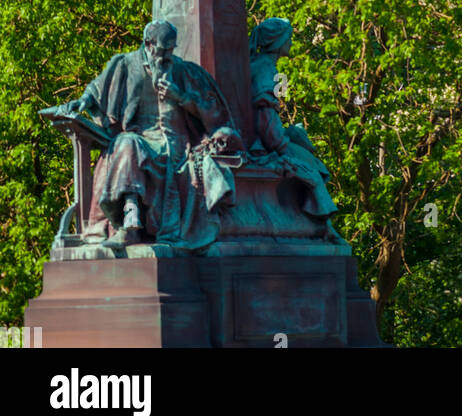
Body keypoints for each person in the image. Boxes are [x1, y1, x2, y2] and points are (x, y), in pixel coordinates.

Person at [60, 20, 240, 250]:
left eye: (171, 49)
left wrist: (181, 97)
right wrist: (81, 102)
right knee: (125, 143)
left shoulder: (184, 72)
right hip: (140, 140)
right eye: (162, 49)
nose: (167, 55)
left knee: (133, 146)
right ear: (148, 44)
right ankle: (129, 220)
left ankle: (136, 221)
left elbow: (213, 112)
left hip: (176, 144)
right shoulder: (126, 65)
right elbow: (96, 90)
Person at [248, 18, 338, 229]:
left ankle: (317, 225)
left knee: (304, 146)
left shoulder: (262, 66)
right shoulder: (266, 70)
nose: (291, 43)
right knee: (313, 166)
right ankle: (318, 225)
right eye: (289, 38)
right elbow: (265, 118)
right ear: (278, 41)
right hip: (268, 142)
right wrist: (282, 146)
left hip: (265, 137)